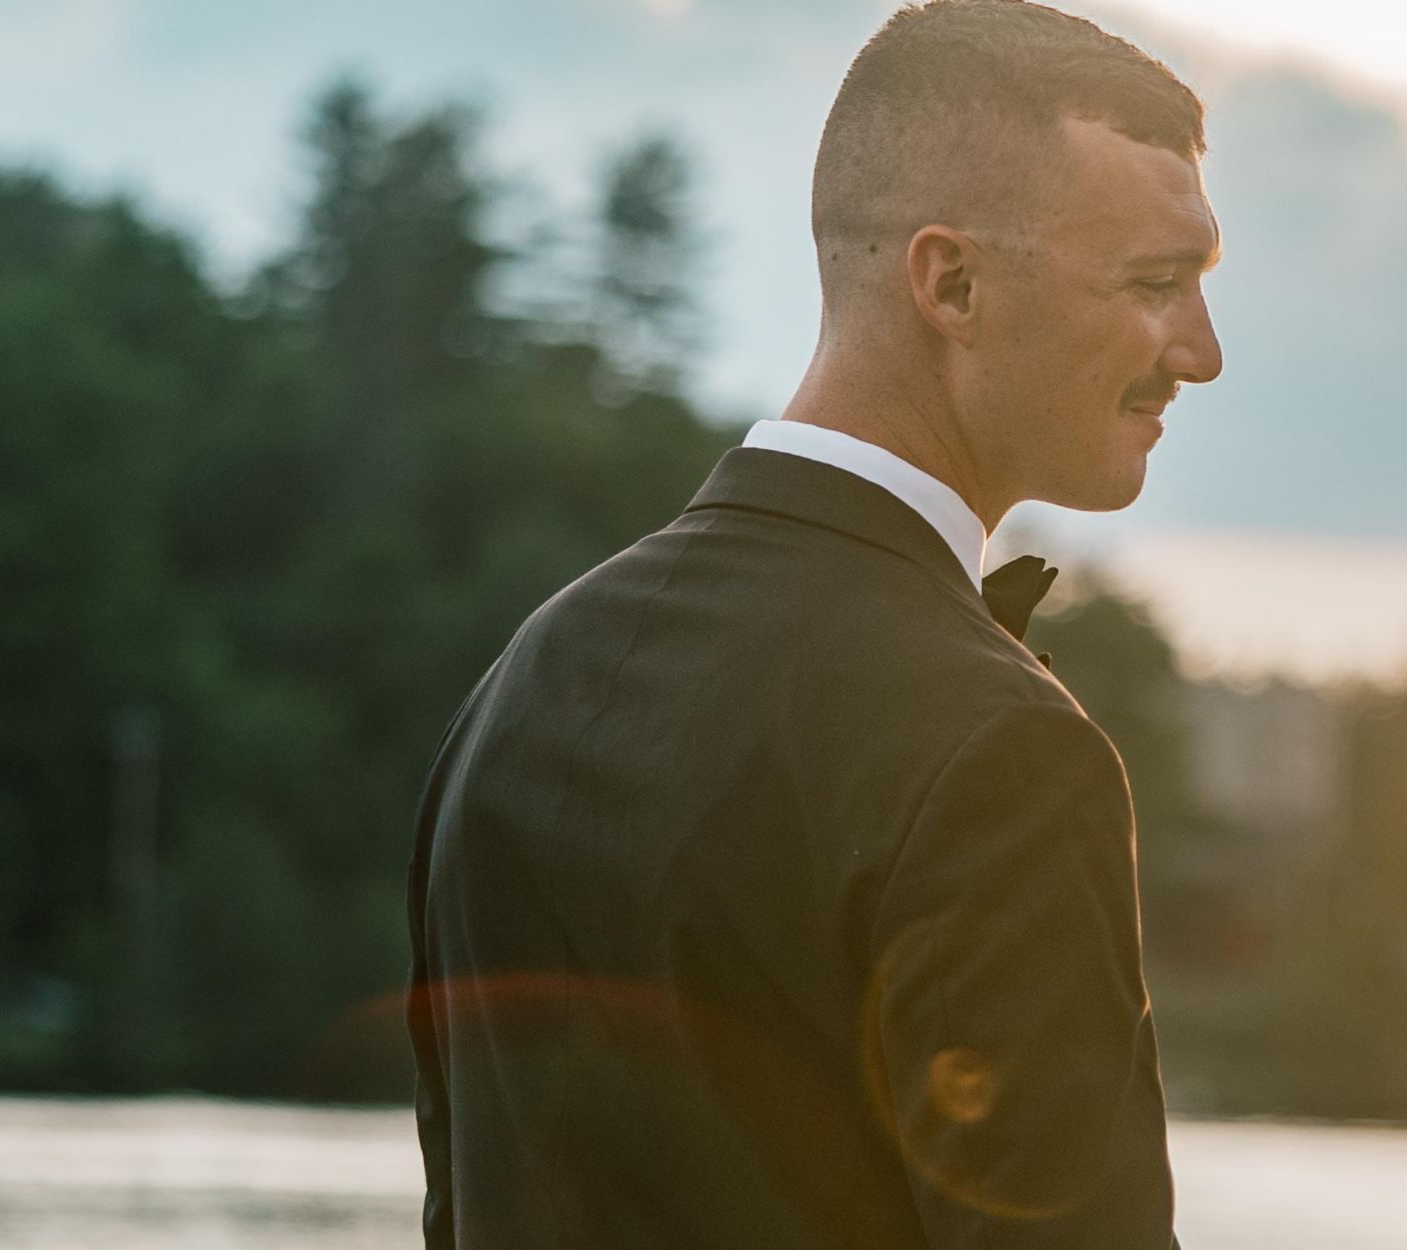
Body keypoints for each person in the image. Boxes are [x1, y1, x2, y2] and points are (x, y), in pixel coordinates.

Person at [404, 1, 1220, 1245]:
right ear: (951, 281)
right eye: (1157, 284)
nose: (1200, 352)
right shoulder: (1000, 753)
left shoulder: (523, 679)